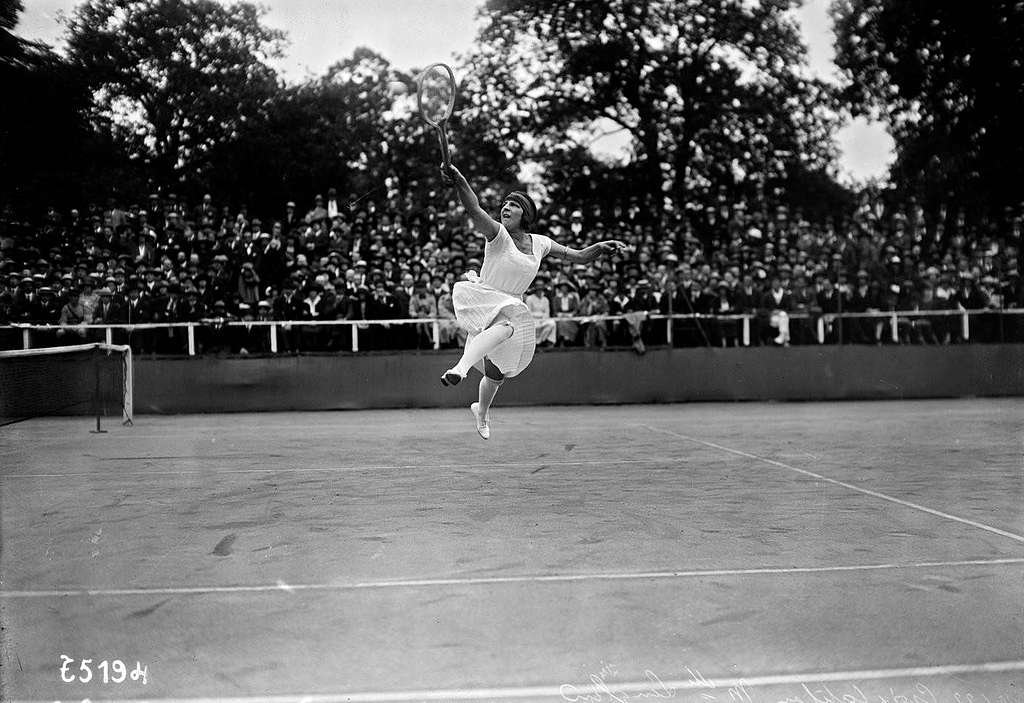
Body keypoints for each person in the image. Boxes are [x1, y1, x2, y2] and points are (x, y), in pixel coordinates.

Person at [438, 164, 627, 439]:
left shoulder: (540, 243)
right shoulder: (498, 235)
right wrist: (460, 180)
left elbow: (579, 256)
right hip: (488, 300)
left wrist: (600, 247)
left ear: (525, 213)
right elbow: (475, 209)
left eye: (512, 205)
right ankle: (460, 368)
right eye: (504, 204)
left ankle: (481, 412)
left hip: (511, 304)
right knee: (507, 326)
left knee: (495, 374)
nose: (505, 208)